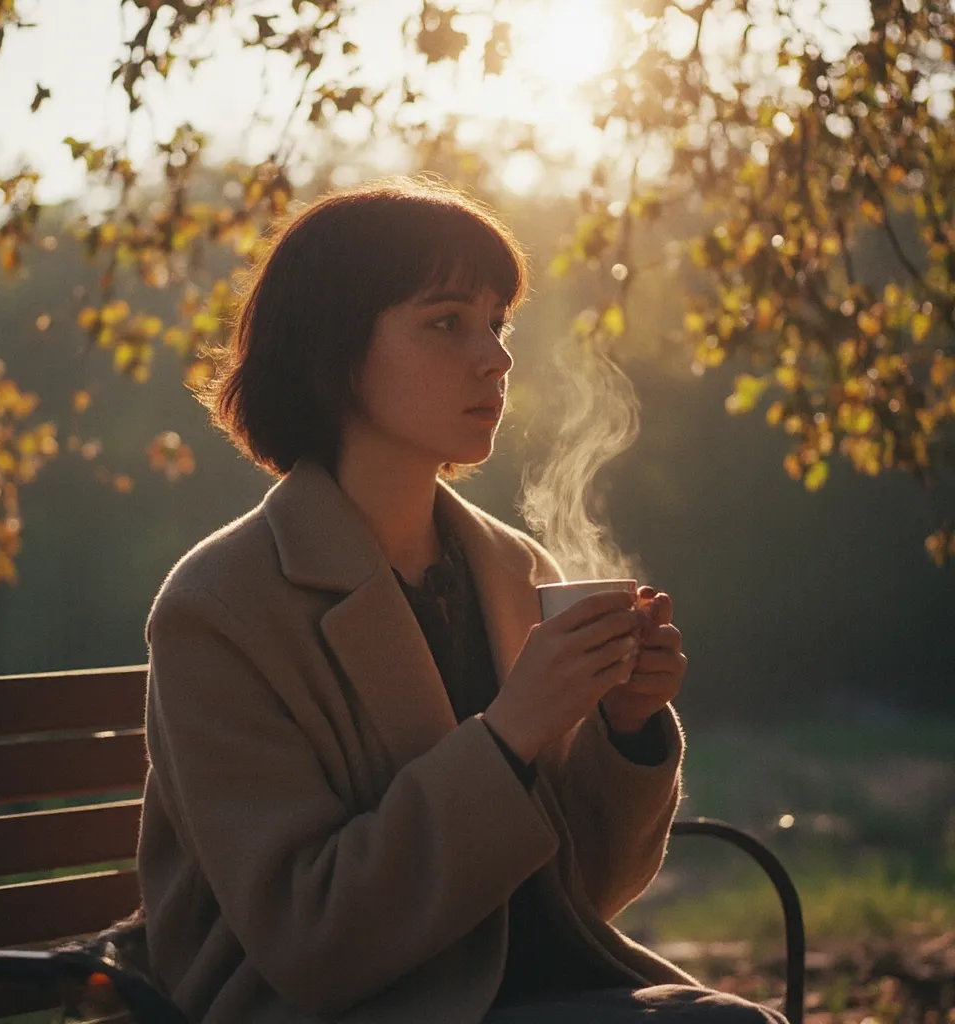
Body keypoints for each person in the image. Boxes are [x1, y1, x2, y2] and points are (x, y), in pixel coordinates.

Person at [136, 176, 786, 1024]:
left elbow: (571, 898)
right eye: (447, 322)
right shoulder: (221, 608)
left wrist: (624, 732)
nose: (496, 357)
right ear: (333, 354)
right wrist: (510, 733)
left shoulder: (511, 570)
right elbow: (309, 937)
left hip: (517, 989)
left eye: (497, 322)